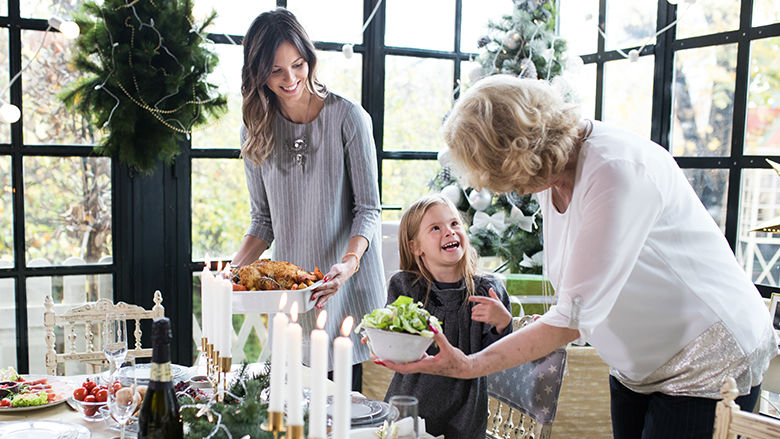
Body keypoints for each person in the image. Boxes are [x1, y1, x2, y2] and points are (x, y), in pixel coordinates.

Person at [379, 75, 778, 439]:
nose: (507, 190)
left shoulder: (616, 171)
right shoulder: (552, 170)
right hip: (638, 367)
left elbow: (570, 318)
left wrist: (467, 366)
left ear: (521, 152)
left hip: (706, 358)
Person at [232, 7, 385, 390]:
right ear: (258, 74)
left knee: (340, 410)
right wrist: (229, 274)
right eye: (276, 71)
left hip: (346, 286)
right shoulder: (255, 131)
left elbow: (368, 209)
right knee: (298, 407)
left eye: (297, 65)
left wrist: (347, 266)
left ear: (309, 59)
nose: (290, 79)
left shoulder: (349, 117)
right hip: (296, 295)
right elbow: (262, 222)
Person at [378, 194, 513, 439]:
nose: (449, 232)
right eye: (436, 228)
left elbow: (498, 361)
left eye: (454, 224)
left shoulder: (488, 290)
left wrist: (502, 324)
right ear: (415, 247)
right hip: (409, 411)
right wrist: (381, 336)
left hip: (465, 415)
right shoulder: (406, 288)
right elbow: (394, 342)